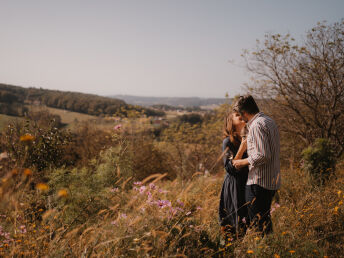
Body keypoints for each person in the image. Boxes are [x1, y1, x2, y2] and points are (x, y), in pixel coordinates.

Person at [232, 95, 281, 235]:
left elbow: (262, 155)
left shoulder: (256, 125)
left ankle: (262, 250)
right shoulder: (269, 121)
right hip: (271, 180)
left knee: (258, 225)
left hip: (259, 182)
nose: (242, 119)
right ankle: (270, 249)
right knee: (265, 222)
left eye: (241, 115)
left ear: (244, 112)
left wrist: (241, 162)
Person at [218, 110, 249, 238]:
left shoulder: (249, 136)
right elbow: (230, 168)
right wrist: (242, 147)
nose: (241, 116)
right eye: (237, 115)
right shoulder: (228, 142)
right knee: (234, 222)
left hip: (248, 182)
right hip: (234, 185)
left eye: (242, 113)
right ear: (231, 121)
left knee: (247, 221)